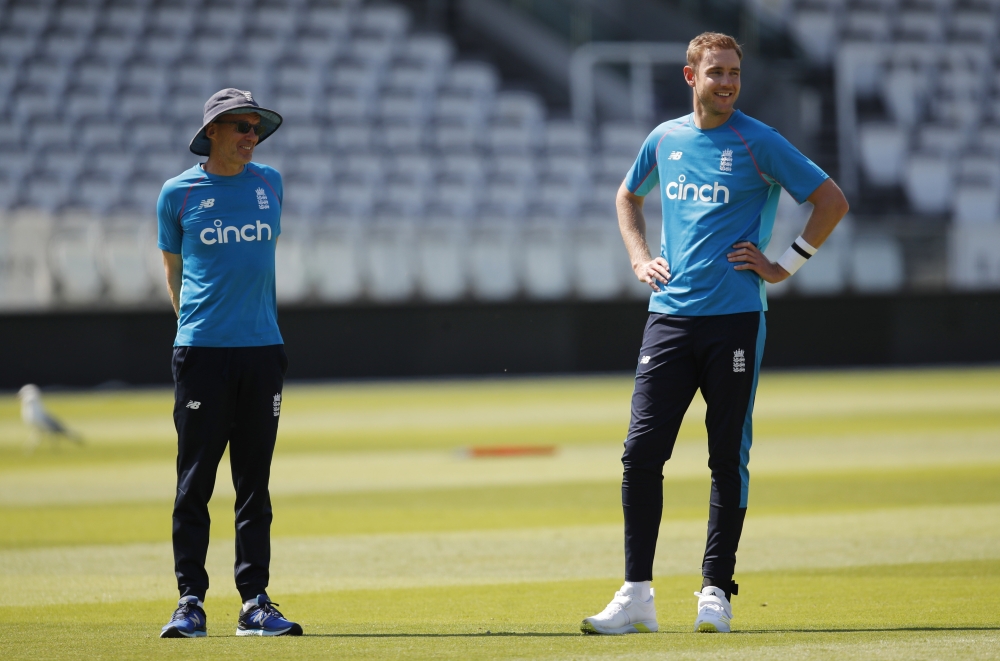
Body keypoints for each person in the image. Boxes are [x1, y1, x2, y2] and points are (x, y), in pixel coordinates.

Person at [581, 33, 849, 635]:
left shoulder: (760, 142)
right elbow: (627, 195)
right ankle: (636, 595)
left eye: (734, 73)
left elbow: (831, 201)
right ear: (689, 76)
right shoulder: (665, 138)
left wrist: (785, 265)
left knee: (727, 457)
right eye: (716, 73)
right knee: (640, 455)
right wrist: (638, 257)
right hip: (668, 318)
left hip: (733, 319)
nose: (727, 83)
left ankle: (714, 591)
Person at [156, 88, 302, 638]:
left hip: (263, 350)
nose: (252, 135)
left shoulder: (271, 184)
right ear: (212, 131)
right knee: (194, 482)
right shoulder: (177, 194)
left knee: (253, 484)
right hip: (201, 353)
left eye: (256, 127)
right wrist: (195, 333)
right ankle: (189, 601)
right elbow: (174, 273)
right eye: (241, 125)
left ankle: (254, 602)